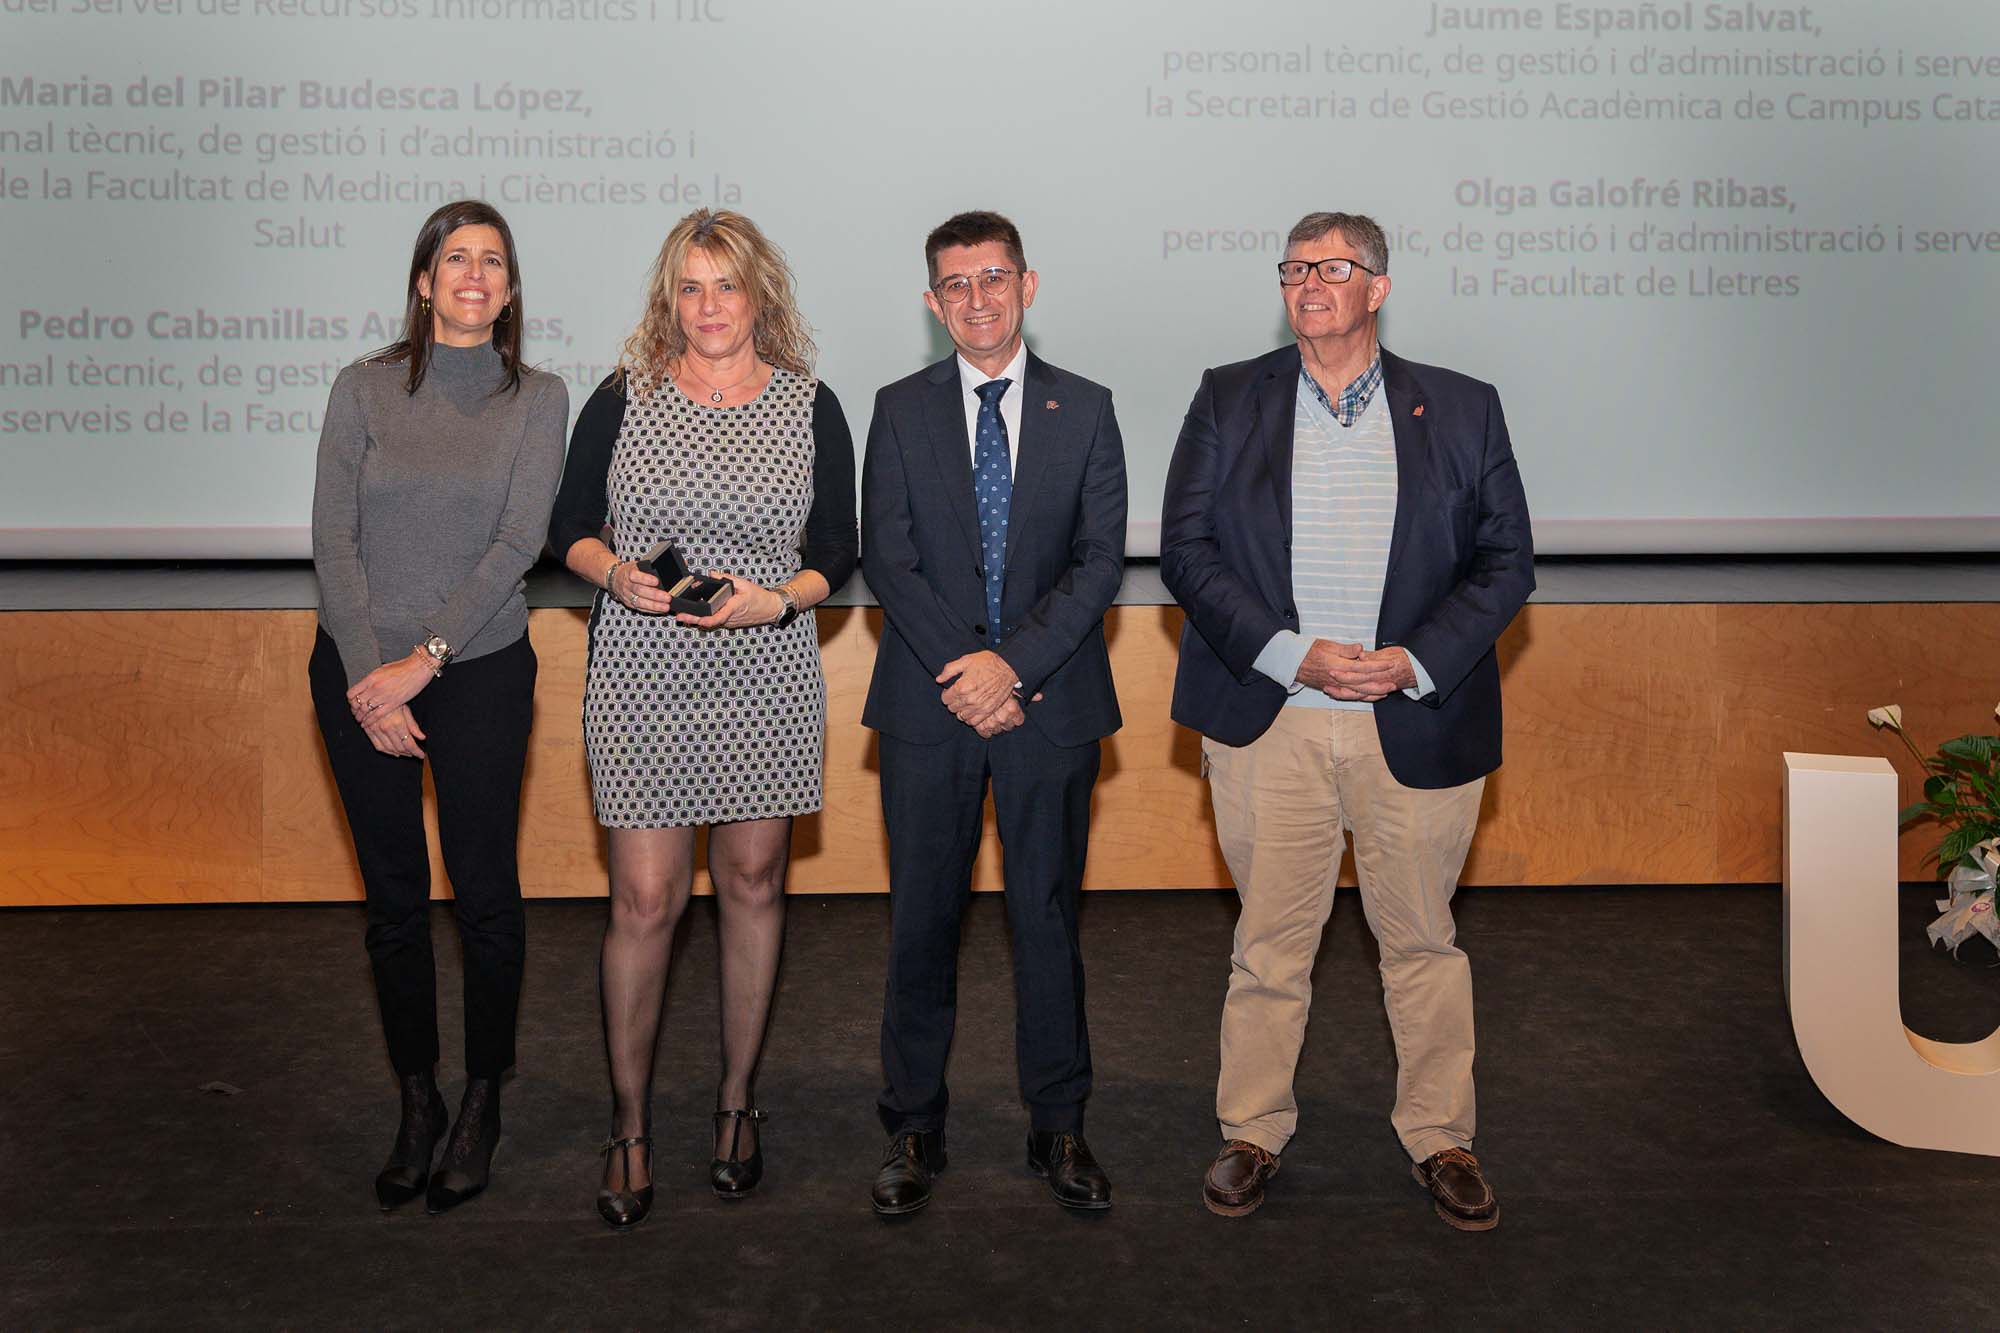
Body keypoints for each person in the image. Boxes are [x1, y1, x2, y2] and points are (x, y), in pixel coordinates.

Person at [1160, 210, 1534, 1230]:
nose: (1308, 285)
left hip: (1413, 717)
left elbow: (1506, 562)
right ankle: (1251, 1129)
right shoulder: (1229, 397)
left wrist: (1413, 660)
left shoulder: (1461, 406)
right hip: (1271, 716)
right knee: (1269, 942)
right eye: (1294, 269)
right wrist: (1292, 654)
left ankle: (1440, 1135)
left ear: (1377, 286)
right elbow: (1186, 550)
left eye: (1331, 268)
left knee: (1421, 942)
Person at [549, 208, 857, 1230]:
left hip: (765, 668)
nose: (709, 305)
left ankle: (735, 1103)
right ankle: (629, 1124)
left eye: (726, 284)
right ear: (667, 299)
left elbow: (838, 545)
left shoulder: (810, 403)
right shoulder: (622, 394)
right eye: (690, 286)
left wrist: (782, 600)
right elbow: (566, 527)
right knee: (644, 902)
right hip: (641, 670)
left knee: (754, 885)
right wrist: (615, 574)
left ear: (760, 294)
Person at [861, 210, 1127, 1215]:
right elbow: (889, 558)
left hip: (1047, 708)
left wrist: (1009, 670)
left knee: (1046, 920)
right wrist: (967, 676)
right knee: (920, 922)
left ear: (1028, 285)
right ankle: (911, 1127)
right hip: (929, 710)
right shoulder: (898, 409)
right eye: (956, 284)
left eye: (994, 278)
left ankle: (1059, 1124)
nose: (977, 298)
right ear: (933, 302)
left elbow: (1098, 561)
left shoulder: (1086, 408)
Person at [309, 199, 569, 1215]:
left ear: (508, 290)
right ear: (424, 282)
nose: (473, 274)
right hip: (357, 670)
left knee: (486, 893)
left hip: (480, 669)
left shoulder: (537, 398)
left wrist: (423, 661)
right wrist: (368, 675)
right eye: (455, 258)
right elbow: (334, 541)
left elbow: (518, 544)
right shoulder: (361, 388)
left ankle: (481, 1099)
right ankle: (417, 1099)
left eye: (492, 261)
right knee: (393, 899)